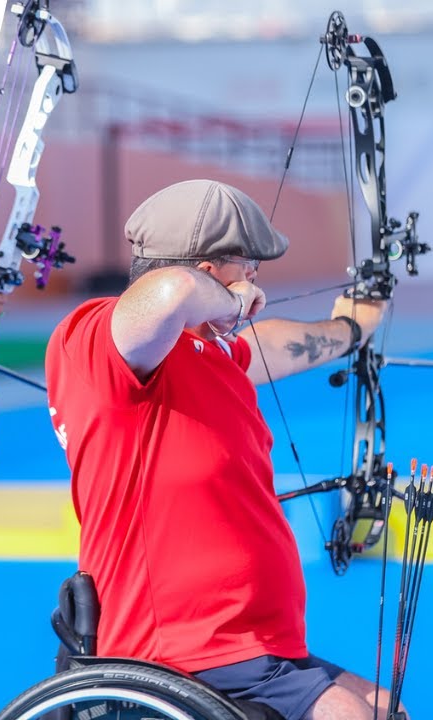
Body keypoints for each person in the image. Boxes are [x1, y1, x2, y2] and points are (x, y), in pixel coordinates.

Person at [43, 179, 400, 720]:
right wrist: (226, 300)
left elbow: (268, 344)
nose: (256, 278)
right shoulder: (95, 341)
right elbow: (173, 293)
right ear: (209, 271)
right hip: (181, 649)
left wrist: (352, 327)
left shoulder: (205, 352)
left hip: (245, 647)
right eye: (247, 267)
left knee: (383, 708)